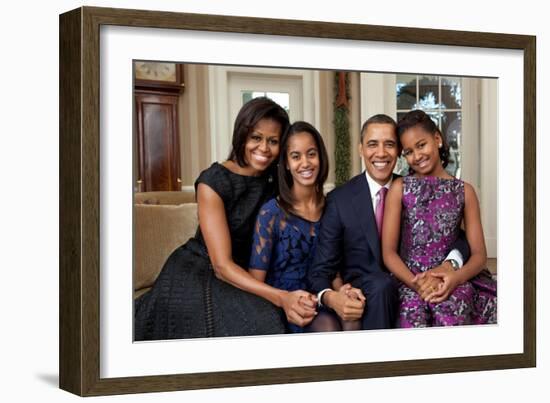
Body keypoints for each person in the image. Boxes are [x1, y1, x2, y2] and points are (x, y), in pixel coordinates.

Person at [134, 97, 313, 340]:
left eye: (273, 141)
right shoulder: (213, 181)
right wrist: (281, 297)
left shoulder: (277, 178)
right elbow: (221, 266)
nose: (264, 148)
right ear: (242, 135)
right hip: (200, 270)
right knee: (261, 323)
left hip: (247, 272)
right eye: (256, 138)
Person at [308, 114, 470, 330]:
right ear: (361, 149)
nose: (381, 153)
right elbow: (320, 269)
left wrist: (451, 262)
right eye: (373, 144)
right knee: (380, 285)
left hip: (417, 283)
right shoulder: (340, 200)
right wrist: (333, 295)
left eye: (390, 145)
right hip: (369, 293)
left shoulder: (415, 188)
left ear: (398, 151)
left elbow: (455, 235)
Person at [382, 109, 497, 327]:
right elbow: (388, 252)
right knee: (411, 312)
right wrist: (416, 284)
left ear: (437, 139)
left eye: (421, 145)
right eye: (408, 152)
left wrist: (455, 278)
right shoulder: (400, 188)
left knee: (453, 307)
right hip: (410, 279)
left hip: (452, 278)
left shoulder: (465, 191)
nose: (416, 156)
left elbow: (480, 255)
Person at [248, 121, 328, 333]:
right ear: (285, 163)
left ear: (320, 157)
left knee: (350, 322)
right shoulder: (271, 213)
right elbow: (256, 283)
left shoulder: (333, 207)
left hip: (322, 298)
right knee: (328, 328)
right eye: (296, 156)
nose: (305, 163)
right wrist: (284, 300)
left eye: (311, 154)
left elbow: (337, 265)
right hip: (283, 305)